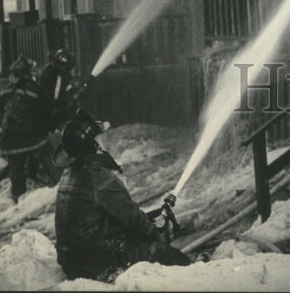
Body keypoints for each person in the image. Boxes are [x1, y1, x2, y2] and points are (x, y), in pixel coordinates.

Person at [55, 108, 190, 282]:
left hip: (72, 260)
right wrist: (157, 235)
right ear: (93, 145)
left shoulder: (69, 173)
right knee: (171, 257)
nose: (103, 141)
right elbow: (132, 219)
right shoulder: (99, 177)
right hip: (95, 263)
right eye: (98, 137)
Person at [0, 55, 59, 202]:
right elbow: (46, 109)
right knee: (49, 157)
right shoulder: (33, 89)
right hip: (30, 136)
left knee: (16, 167)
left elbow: (2, 110)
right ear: (28, 73)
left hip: (9, 137)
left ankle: (18, 198)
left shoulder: (4, 91)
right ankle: (62, 187)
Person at [39, 48, 78, 128]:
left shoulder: (58, 73)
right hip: (50, 112)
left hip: (54, 110)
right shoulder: (51, 74)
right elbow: (55, 93)